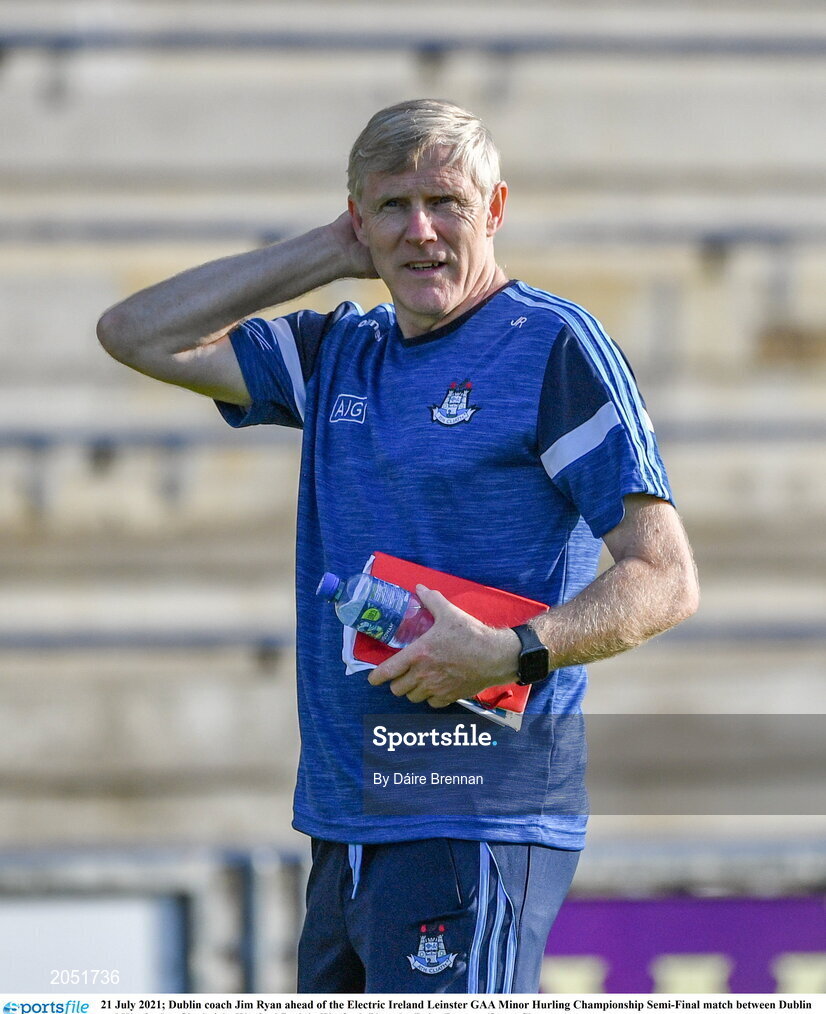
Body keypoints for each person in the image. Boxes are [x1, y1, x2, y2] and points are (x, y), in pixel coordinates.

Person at [97, 98, 699, 994]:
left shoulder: (552, 347)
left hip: (477, 823)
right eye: (392, 208)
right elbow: (135, 333)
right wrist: (328, 251)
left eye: (447, 203)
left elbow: (666, 578)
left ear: (494, 211)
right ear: (359, 221)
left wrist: (510, 650)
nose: (422, 231)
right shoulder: (341, 349)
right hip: (344, 824)